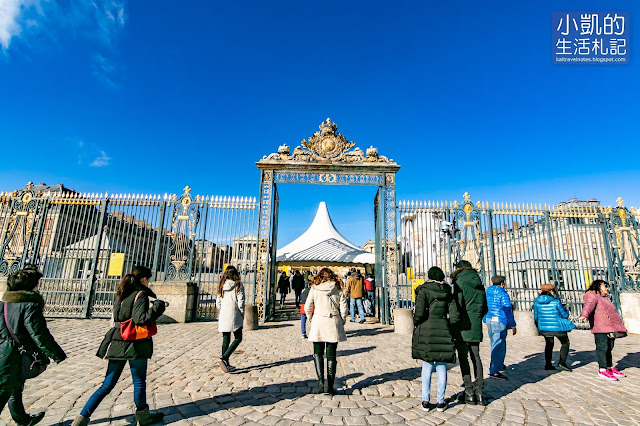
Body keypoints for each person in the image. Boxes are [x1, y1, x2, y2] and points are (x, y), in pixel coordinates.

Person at [73, 266, 166, 426]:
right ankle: (143, 417)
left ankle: (81, 418)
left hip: (117, 339)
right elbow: (140, 319)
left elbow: (119, 317)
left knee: (107, 384)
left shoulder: (121, 293)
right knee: (139, 382)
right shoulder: (140, 294)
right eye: (148, 279)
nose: (149, 282)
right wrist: (158, 308)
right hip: (135, 343)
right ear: (143, 279)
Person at [1, 266, 66, 426]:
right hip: (13, 356)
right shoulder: (30, 306)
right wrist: (56, 354)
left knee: (15, 388)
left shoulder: (3, 304)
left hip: (3, 352)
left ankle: (22, 420)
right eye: (37, 283)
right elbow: (39, 335)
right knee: (4, 391)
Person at [412, 267, 460, 412]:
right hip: (443, 327)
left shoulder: (424, 290)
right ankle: (440, 401)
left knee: (427, 364)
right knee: (441, 365)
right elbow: (455, 316)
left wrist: (416, 322)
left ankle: (425, 400)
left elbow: (419, 313)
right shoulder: (448, 291)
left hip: (426, 328)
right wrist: (449, 326)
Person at [305, 267, 348, 395]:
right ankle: (330, 385)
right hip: (332, 321)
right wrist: (342, 320)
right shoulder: (337, 288)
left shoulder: (314, 287)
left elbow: (308, 306)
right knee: (331, 355)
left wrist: (312, 319)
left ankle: (320, 383)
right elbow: (344, 308)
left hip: (318, 321)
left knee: (317, 354)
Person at [451, 260, 488, 405]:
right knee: (476, 357)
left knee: (463, 358)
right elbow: (485, 308)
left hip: (462, 326)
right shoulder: (479, 283)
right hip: (476, 325)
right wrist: (476, 317)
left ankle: (468, 391)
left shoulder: (459, 282)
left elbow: (457, 306)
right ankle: (479, 392)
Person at [579, 279, 628, 381]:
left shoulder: (604, 297)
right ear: (598, 286)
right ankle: (602, 368)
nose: (607, 288)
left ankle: (609, 366)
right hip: (600, 326)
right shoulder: (592, 295)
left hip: (609, 326)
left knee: (609, 347)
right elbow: (588, 306)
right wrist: (584, 315)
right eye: (605, 285)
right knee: (602, 347)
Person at [533, 283, 575, 371]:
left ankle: (548, 364)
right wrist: (566, 311)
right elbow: (564, 315)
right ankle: (562, 362)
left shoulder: (537, 302)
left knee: (549, 344)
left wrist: (539, 325)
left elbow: (536, 316)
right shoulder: (556, 302)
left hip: (544, 328)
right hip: (558, 327)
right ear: (551, 291)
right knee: (565, 343)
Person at [483, 275, 517, 380]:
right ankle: (494, 370)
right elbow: (507, 310)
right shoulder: (503, 293)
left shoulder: (487, 292)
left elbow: (484, 305)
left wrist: (485, 318)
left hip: (490, 319)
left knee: (494, 343)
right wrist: (513, 324)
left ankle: (499, 364)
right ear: (502, 284)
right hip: (500, 320)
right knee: (499, 346)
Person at [216, 266, 245, 373]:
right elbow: (241, 303)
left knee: (226, 338)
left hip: (224, 314)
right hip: (234, 313)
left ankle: (226, 363)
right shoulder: (238, 285)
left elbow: (218, 302)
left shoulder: (221, 285)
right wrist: (242, 314)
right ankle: (224, 358)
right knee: (238, 337)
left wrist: (221, 310)